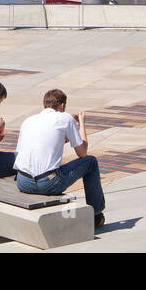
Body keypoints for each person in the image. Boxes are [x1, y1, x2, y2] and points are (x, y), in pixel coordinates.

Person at [13, 88, 106, 230]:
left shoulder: (28, 121)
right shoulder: (65, 118)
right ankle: (96, 214)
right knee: (91, 162)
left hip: (23, 182)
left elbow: (23, 150)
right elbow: (82, 153)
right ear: (62, 105)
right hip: (47, 183)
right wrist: (81, 124)